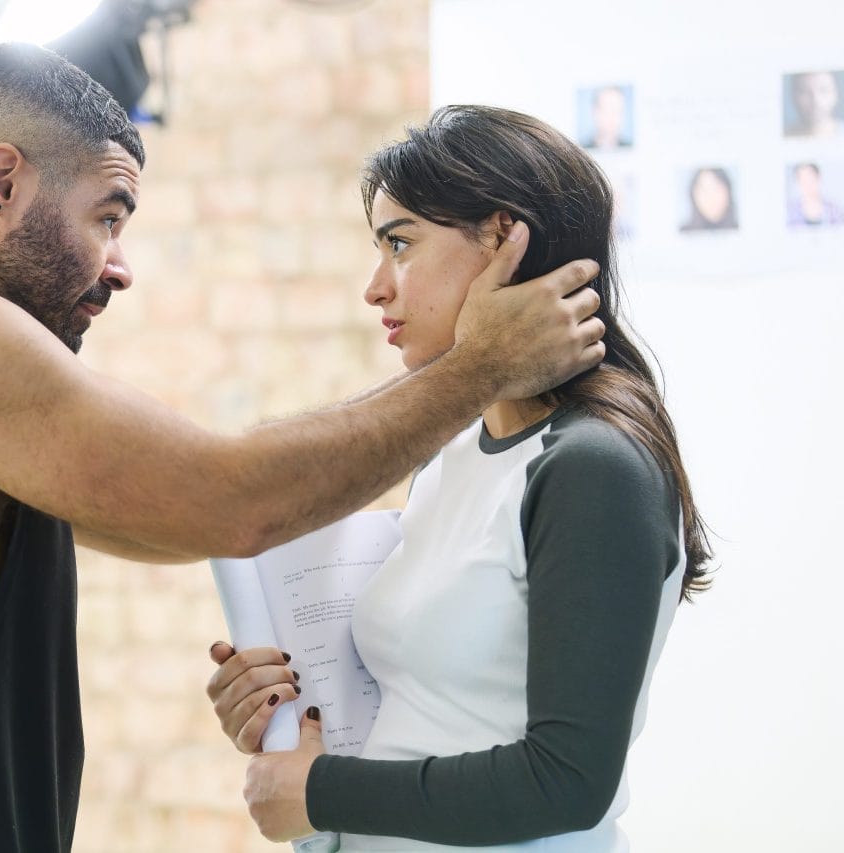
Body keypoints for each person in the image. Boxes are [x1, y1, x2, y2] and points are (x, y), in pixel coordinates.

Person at [0, 46, 605, 852]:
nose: (122, 263)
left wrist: (309, 677)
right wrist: (481, 365)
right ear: (3, 182)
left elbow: (179, 525)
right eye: (109, 214)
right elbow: (229, 501)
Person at [206, 105, 711, 851]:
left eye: (400, 244)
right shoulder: (452, 456)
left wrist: (320, 790)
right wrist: (288, 720)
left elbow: (566, 781)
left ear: (506, 241)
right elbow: (423, 720)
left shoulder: (593, 465)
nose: (375, 287)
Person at [785, 70, 844, 138]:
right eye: (805, 91)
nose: (815, 101)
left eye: (824, 90)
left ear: (836, 95)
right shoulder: (782, 134)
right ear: (793, 96)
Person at [679, 166, 738, 232]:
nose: (711, 197)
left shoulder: (740, 230)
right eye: (704, 190)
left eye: (716, 188)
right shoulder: (684, 233)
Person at [787, 161, 844, 227]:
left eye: (810, 178)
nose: (807, 184)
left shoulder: (834, 210)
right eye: (803, 180)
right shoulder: (790, 212)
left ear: (818, 178)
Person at [581, 84, 632, 149]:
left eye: (616, 110)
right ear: (595, 112)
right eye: (607, 110)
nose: (612, 117)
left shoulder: (629, 147)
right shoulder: (582, 148)